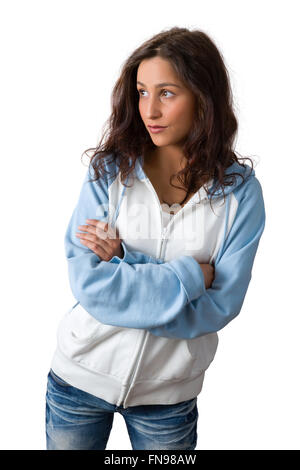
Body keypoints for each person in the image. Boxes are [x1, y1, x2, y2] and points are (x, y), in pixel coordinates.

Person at [45, 26, 266, 450]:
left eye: (166, 92)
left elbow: (221, 304)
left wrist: (124, 263)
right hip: (78, 380)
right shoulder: (110, 172)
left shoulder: (241, 194)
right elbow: (90, 287)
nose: (150, 109)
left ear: (204, 97)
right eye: (142, 92)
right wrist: (189, 278)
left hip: (169, 398)